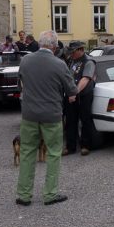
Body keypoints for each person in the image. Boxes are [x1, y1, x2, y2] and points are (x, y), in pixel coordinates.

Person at [15, 30, 77, 206]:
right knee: (53, 153)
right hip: (51, 114)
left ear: (39, 43)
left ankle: (23, 195)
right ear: (55, 47)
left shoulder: (25, 60)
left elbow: (20, 83)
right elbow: (72, 90)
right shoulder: (59, 64)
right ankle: (50, 194)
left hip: (29, 114)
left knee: (27, 152)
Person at [64, 41, 97, 156]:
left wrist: (74, 93)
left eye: (73, 52)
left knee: (85, 119)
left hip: (84, 95)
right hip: (71, 94)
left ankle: (85, 146)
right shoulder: (71, 60)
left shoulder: (88, 61)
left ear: (80, 50)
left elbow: (85, 79)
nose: (71, 54)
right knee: (70, 121)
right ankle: (70, 147)